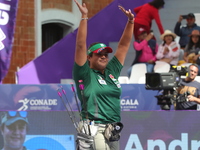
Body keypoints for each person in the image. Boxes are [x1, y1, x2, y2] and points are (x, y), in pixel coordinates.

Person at [73, 0, 134, 149]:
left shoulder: (112, 71)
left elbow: (124, 45)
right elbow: (81, 45)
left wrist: (131, 21)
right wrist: (84, 17)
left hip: (113, 129)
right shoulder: (84, 74)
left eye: (106, 54)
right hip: (94, 128)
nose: (104, 56)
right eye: (99, 54)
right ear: (89, 57)